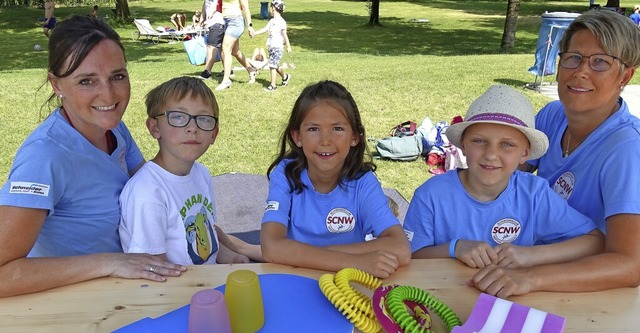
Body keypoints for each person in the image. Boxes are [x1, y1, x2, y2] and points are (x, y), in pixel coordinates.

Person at [0, 16, 186, 298]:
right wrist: (108, 262)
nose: (108, 94)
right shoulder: (45, 157)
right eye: (86, 81)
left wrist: (216, 233)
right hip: (77, 306)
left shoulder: (114, 128)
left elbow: (154, 187)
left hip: (130, 289)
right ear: (56, 84)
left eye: (117, 76)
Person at [471, 10, 640, 298]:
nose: (581, 71)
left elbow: (630, 265)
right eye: (573, 57)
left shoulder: (627, 148)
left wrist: (530, 278)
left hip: (588, 290)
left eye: (600, 62)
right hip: (530, 260)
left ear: (625, 75)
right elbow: (504, 182)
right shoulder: (552, 116)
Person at [403, 85, 603, 269]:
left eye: (507, 144)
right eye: (479, 141)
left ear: (525, 154)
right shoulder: (431, 195)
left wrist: (531, 255)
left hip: (511, 301)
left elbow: (594, 241)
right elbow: (409, 256)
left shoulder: (534, 194)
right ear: (463, 145)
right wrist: (453, 249)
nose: (491, 154)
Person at [260, 80, 411, 278]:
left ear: (355, 137)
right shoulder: (286, 174)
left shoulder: (363, 182)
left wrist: (301, 254)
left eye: (337, 128)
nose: (325, 140)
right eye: (313, 129)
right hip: (296, 279)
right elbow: (271, 247)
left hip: (345, 286)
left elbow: (401, 248)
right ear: (297, 136)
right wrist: (355, 262)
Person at [119, 77, 258, 265]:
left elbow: (208, 238)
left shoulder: (201, 174)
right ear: (154, 128)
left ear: (214, 134)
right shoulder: (148, 193)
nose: (192, 128)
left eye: (204, 119)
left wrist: (233, 258)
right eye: (178, 117)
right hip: (174, 291)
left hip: (206, 283)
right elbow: (151, 268)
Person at [214, 0, 257, 90]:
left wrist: (250, 26)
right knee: (235, 52)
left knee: (225, 49)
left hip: (235, 21)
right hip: (227, 21)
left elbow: (246, 8)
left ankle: (226, 80)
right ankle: (251, 69)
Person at [253, 0, 292, 92]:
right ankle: (285, 77)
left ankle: (273, 86)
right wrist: (255, 33)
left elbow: (284, 35)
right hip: (271, 47)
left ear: (274, 8)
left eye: (271, 7)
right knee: (275, 65)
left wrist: (288, 46)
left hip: (277, 47)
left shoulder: (281, 22)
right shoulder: (271, 21)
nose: (270, 9)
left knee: (272, 66)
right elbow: (265, 29)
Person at [198, 0, 225, 81]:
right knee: (221, 49)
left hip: (217, 23)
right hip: (214, 23)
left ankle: (207, 72)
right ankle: (228, 70)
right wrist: (200, 22)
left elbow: (215, 6)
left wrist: (208, 18)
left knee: (211, 47)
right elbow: (204, 8)